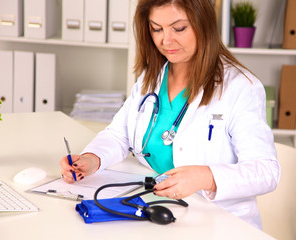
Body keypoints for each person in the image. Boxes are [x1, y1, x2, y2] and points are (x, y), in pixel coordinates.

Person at [60, 0, 280, 229]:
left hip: (218, 222)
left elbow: (266, 172)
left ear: (203, 25)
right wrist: (91, 159)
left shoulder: (241, 87)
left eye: (179, 28)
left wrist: (205, 177)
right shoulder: (150, 77)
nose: (166, 40)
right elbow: (119, 135)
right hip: (158, 210)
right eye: (157, 29)